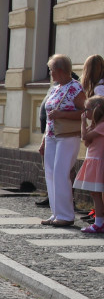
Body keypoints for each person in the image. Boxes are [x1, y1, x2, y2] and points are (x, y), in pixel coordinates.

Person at [38, 54, 86, 227]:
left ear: (59, 70)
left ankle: (66, 215)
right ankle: (56, 213)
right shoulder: (56, 88)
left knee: (61, 173)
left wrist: (63, 114)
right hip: (51, 136)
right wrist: (43, 140)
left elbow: (84, 112)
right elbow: (50, 117)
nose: (50, 73)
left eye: (51, 70)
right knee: (50, 173)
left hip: (68, 136)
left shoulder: (75, 88)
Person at [75, 96, 104, 234]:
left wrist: (82, 123)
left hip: (98, 162)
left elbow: (84, 137)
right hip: (93, 160)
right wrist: (89, 125)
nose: (84, 113)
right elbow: (87, 143)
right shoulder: (96, 126)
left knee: (97, 194)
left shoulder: (102, 125)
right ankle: (99, 222)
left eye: (87, 110)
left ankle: (99, 223)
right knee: (95, 193)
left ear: (96, 109)